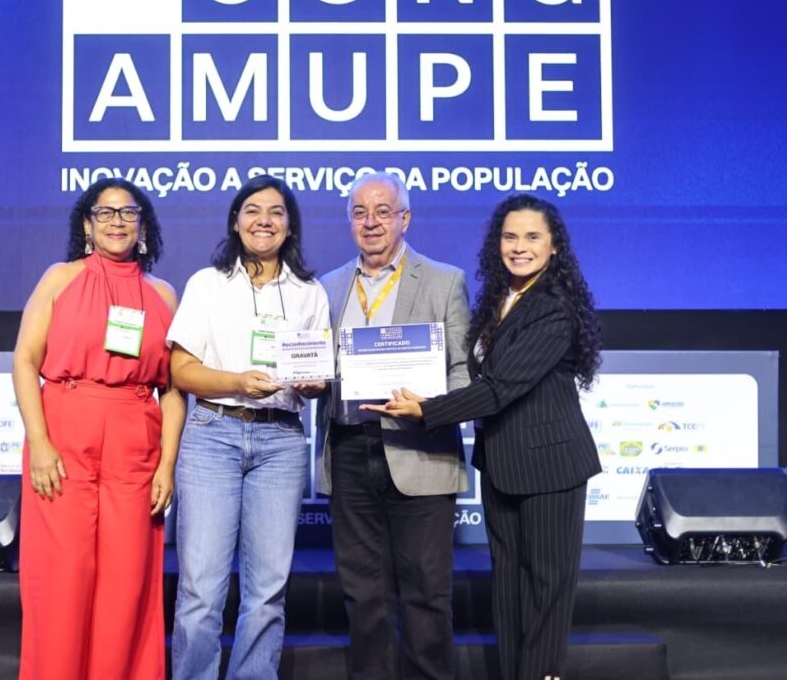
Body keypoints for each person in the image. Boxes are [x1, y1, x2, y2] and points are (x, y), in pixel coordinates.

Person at [364, 194, 602, 680]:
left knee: (546, 591)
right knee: (509, 591)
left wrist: (426, 410)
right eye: (510, 237)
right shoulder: (500, 300)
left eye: (532, 237)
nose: (519, 247)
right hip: (502, 465)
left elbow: (500, 388)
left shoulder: (554, 308)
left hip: (551, 468)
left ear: (554, 246)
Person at [13, 177, 183, 680]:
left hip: (136, 444)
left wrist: (167, 466)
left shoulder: (163, 294)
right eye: (104, 213)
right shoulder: (60, 279)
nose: (116, 221)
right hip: (64, 438)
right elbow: (25, 361)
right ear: (87, 226)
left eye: (128, 212)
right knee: (63, 578)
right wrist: (40, 443)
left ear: (143, 226)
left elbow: (174, 389)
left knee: (126, 582)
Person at [168, 175, 330, 680]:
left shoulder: (309, 293)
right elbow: (180, 371)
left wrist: (314, 384)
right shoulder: (207, 284)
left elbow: (318, 374)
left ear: (290, 226)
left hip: (281, 440)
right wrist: (236, 381)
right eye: (253, 210)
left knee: (266, 590)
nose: (265, 220)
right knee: (200, 588)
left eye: (276, 212)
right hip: (212, 433)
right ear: (236, 223)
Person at [314, 172, 470, 680]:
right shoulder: (327, 287)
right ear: (349, 222)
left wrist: (428, 406)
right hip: (349, 449)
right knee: (363, 595)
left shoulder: (444, 280)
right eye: (360, 212)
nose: (371, 222)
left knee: (426, 593)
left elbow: (463, 371)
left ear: (405, 218)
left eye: (383, 211)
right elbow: (317, 367)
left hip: (420, 447)